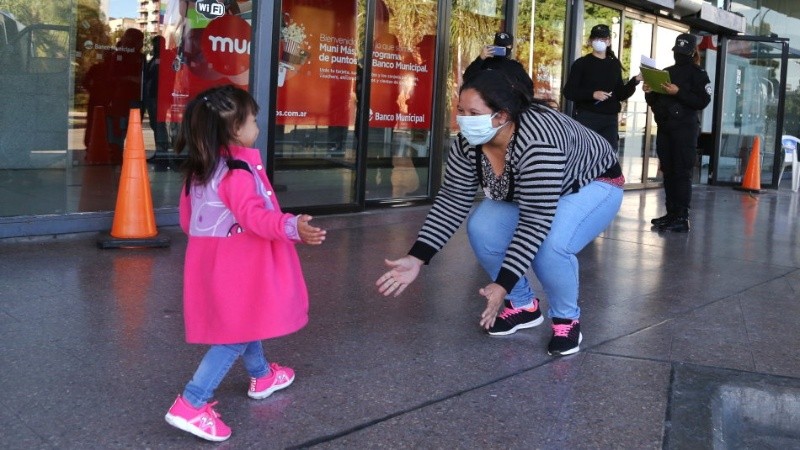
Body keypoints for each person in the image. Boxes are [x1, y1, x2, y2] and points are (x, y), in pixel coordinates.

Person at [375, 70, 624, 357]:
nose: (463, 120)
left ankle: (566, 319)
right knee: (482, 227)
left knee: (551, 244)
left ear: (502, 115)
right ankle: (523, 306)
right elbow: (453, 200)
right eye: (460, 111)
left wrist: (501, 283)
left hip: (593, 184)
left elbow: (536, 220)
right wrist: (416, 257)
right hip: (531, 190)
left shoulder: (538, 143)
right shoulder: (468, 144)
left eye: (473, 112)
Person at [164, 85, 326, 442]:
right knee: (234, 334)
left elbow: (186, 220)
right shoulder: (238, 173)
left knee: (245, 319)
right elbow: (255, 217)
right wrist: (292, 226)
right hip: (241, 267)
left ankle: (263, 374)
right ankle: (192, 401)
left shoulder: (202, 171)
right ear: (235, 129)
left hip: (213, 265)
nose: (257, 126)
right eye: (253, 120)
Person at [644, 33, 711, 233]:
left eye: (683, 52)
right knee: (669, 172)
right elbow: (656, 102)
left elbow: (702, 102)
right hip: (665, 128)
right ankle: (671, 212)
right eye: (677, 51)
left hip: (685, 130)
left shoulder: (699, 74)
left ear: (691, 52)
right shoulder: (666, 72)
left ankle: (682, 216)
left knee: (682, 173)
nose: (679, 55)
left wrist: (678, 92)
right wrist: (649, 92)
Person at [563, 24, 641, 151]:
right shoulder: (581, 63)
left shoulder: (614, 64)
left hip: (610, 119)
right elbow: (569, 92)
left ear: (609, 41)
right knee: (586, 153)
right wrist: (592, 94)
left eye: (604, 39)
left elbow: (620, 94)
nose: (600, 42)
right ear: (590, 41)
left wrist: (635, 81)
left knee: (609, 156)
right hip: (587, 116)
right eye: (596, 39)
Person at [463, 31, 534, 101]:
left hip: (507, 107)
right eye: (499, 46)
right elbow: (467, 78)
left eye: (505, 47)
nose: (502, 49)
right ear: (494, 45)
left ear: (511, 47)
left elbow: (529, 88)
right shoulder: (484, 63)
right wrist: (481, 58)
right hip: (486, 106)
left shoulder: (515, 66)